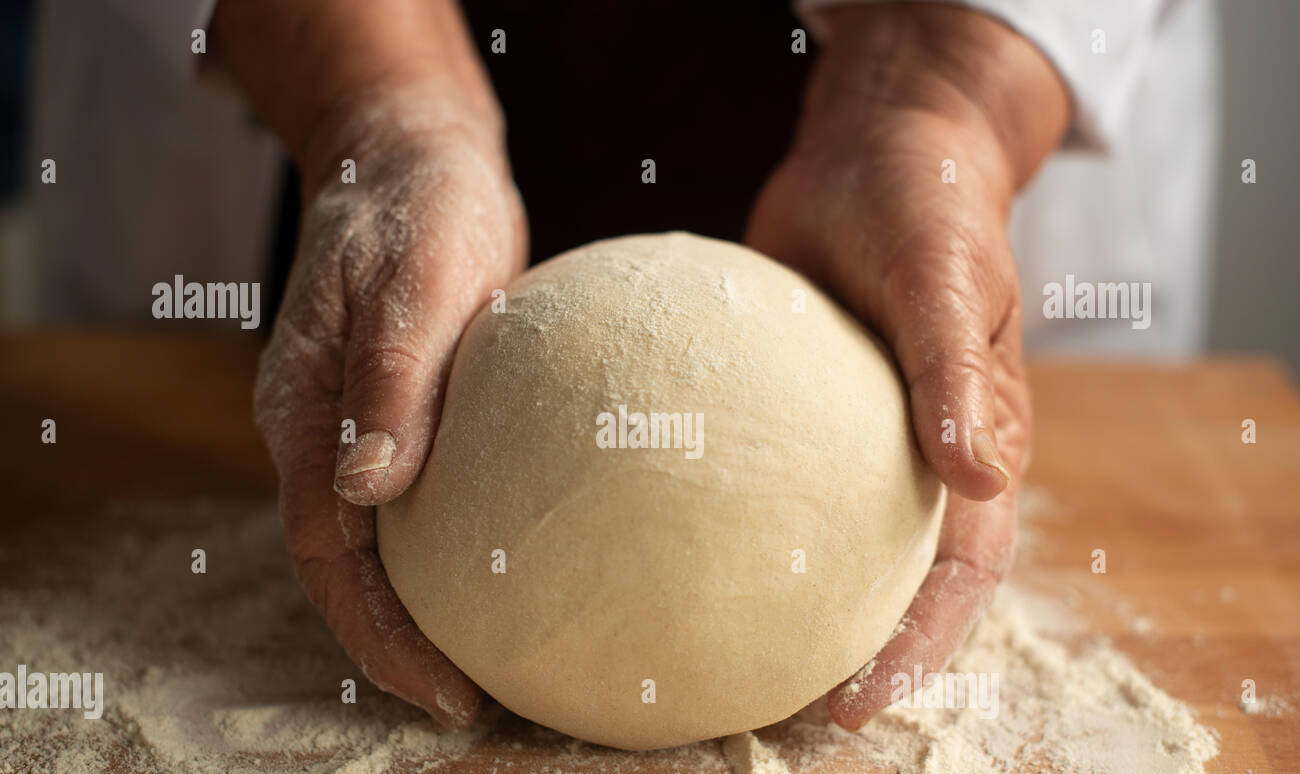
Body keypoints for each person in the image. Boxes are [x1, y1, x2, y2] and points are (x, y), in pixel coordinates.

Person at [20, 0, 1220, 733]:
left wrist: (941, 90)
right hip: (265, 154)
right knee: (373, 369)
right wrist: (373, 100)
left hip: (918, 137)